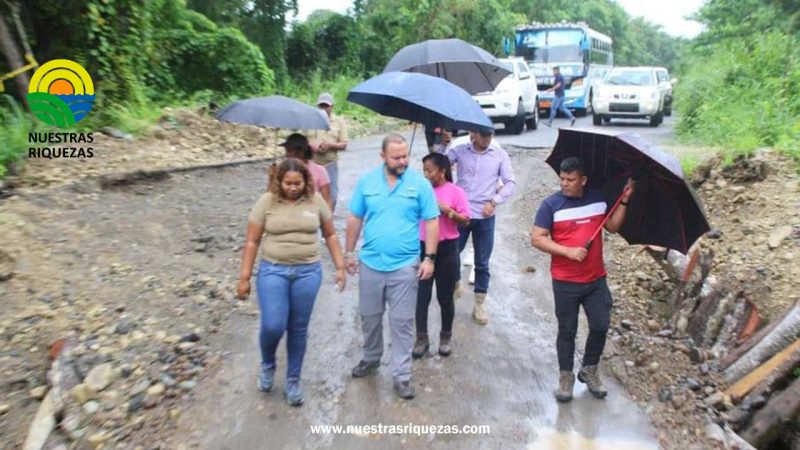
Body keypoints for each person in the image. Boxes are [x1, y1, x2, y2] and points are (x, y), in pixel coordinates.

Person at [237, 158, 346, 407]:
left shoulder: (315, 200)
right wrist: (244, 277)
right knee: (273, 324)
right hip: (273, 270)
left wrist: (340, 267)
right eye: (288, 183)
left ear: (306, 182)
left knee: (298, 328)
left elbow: (329, 234)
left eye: (298, 183)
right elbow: (252, 241)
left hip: (308, 272)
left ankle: (293, 379)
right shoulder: (267, 201)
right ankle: (267, 364)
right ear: (279, 181)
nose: (293, 188)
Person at [530, 156, 634, 403]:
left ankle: (589, 369)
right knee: (567, 330)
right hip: (565, 281)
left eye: (571, 180)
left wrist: (625, 201)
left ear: (583, 180)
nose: (565, 184)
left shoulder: (598, 200)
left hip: (596, 279)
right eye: (562, 179)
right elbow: (537, 238)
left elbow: (613, 227)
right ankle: (566, 376)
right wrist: (568, 251)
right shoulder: (551, 205)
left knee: (600, 324)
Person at [345, 134, 440, 400]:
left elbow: (432, 221)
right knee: (370, 317)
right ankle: (371, 358)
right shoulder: (367, 182)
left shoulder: (420, 184)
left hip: (404, 265)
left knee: (402, 322)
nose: (402, 161)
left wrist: (429, 258)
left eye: (405, 156)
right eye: (396, 157)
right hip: (371, 263)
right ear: (382, 156)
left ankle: (402, 375)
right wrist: (348, 253)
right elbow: (354, 217)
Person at [447, 130, 516, 325]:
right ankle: (455, 285)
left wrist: (494, 202)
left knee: (482, 262)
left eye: (490, 135)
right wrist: (443, 145)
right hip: (461, 214)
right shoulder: (459, 150)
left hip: (485, 215)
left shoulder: (499, 154)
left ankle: (479, 303)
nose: (487, 139)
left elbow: (511, 182)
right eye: (483, 135)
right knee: (452, 254)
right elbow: (440, 166)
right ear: (473, 134)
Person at [413, 153, 470, 358]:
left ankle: (445, 336)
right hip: (422, 248)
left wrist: (447, 211)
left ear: (442, 171)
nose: (426, 174)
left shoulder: (455, 192)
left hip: (448, 250)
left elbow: (466, 220)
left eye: (430, 170)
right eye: (424, 170)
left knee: (445, 297)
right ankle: (421, 338)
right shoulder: (420, 191)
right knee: (421, 296)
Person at [308, 92, 348, 212]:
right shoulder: (309, 120)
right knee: (311, 195)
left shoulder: (339, 121)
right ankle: (313, 221)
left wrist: (330, 145)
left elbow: (344, 144)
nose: (324, 108)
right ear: (317, 106)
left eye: (326, 106)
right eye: (321, 106)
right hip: (312, 164)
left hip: (330, 164)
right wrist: (312, 147)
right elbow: (301, 142)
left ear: (332, 106)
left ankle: (327, 221)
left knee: (332, 195)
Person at [279, 133, 333, 211]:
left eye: (289, 151)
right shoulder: (282, 169)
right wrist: (272, 177)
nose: (286, 154)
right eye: (287, 151)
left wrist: (327, 219)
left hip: (312, 214)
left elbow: (327, 200)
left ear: (301, 151)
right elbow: (273, 195)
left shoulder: (319, 170)